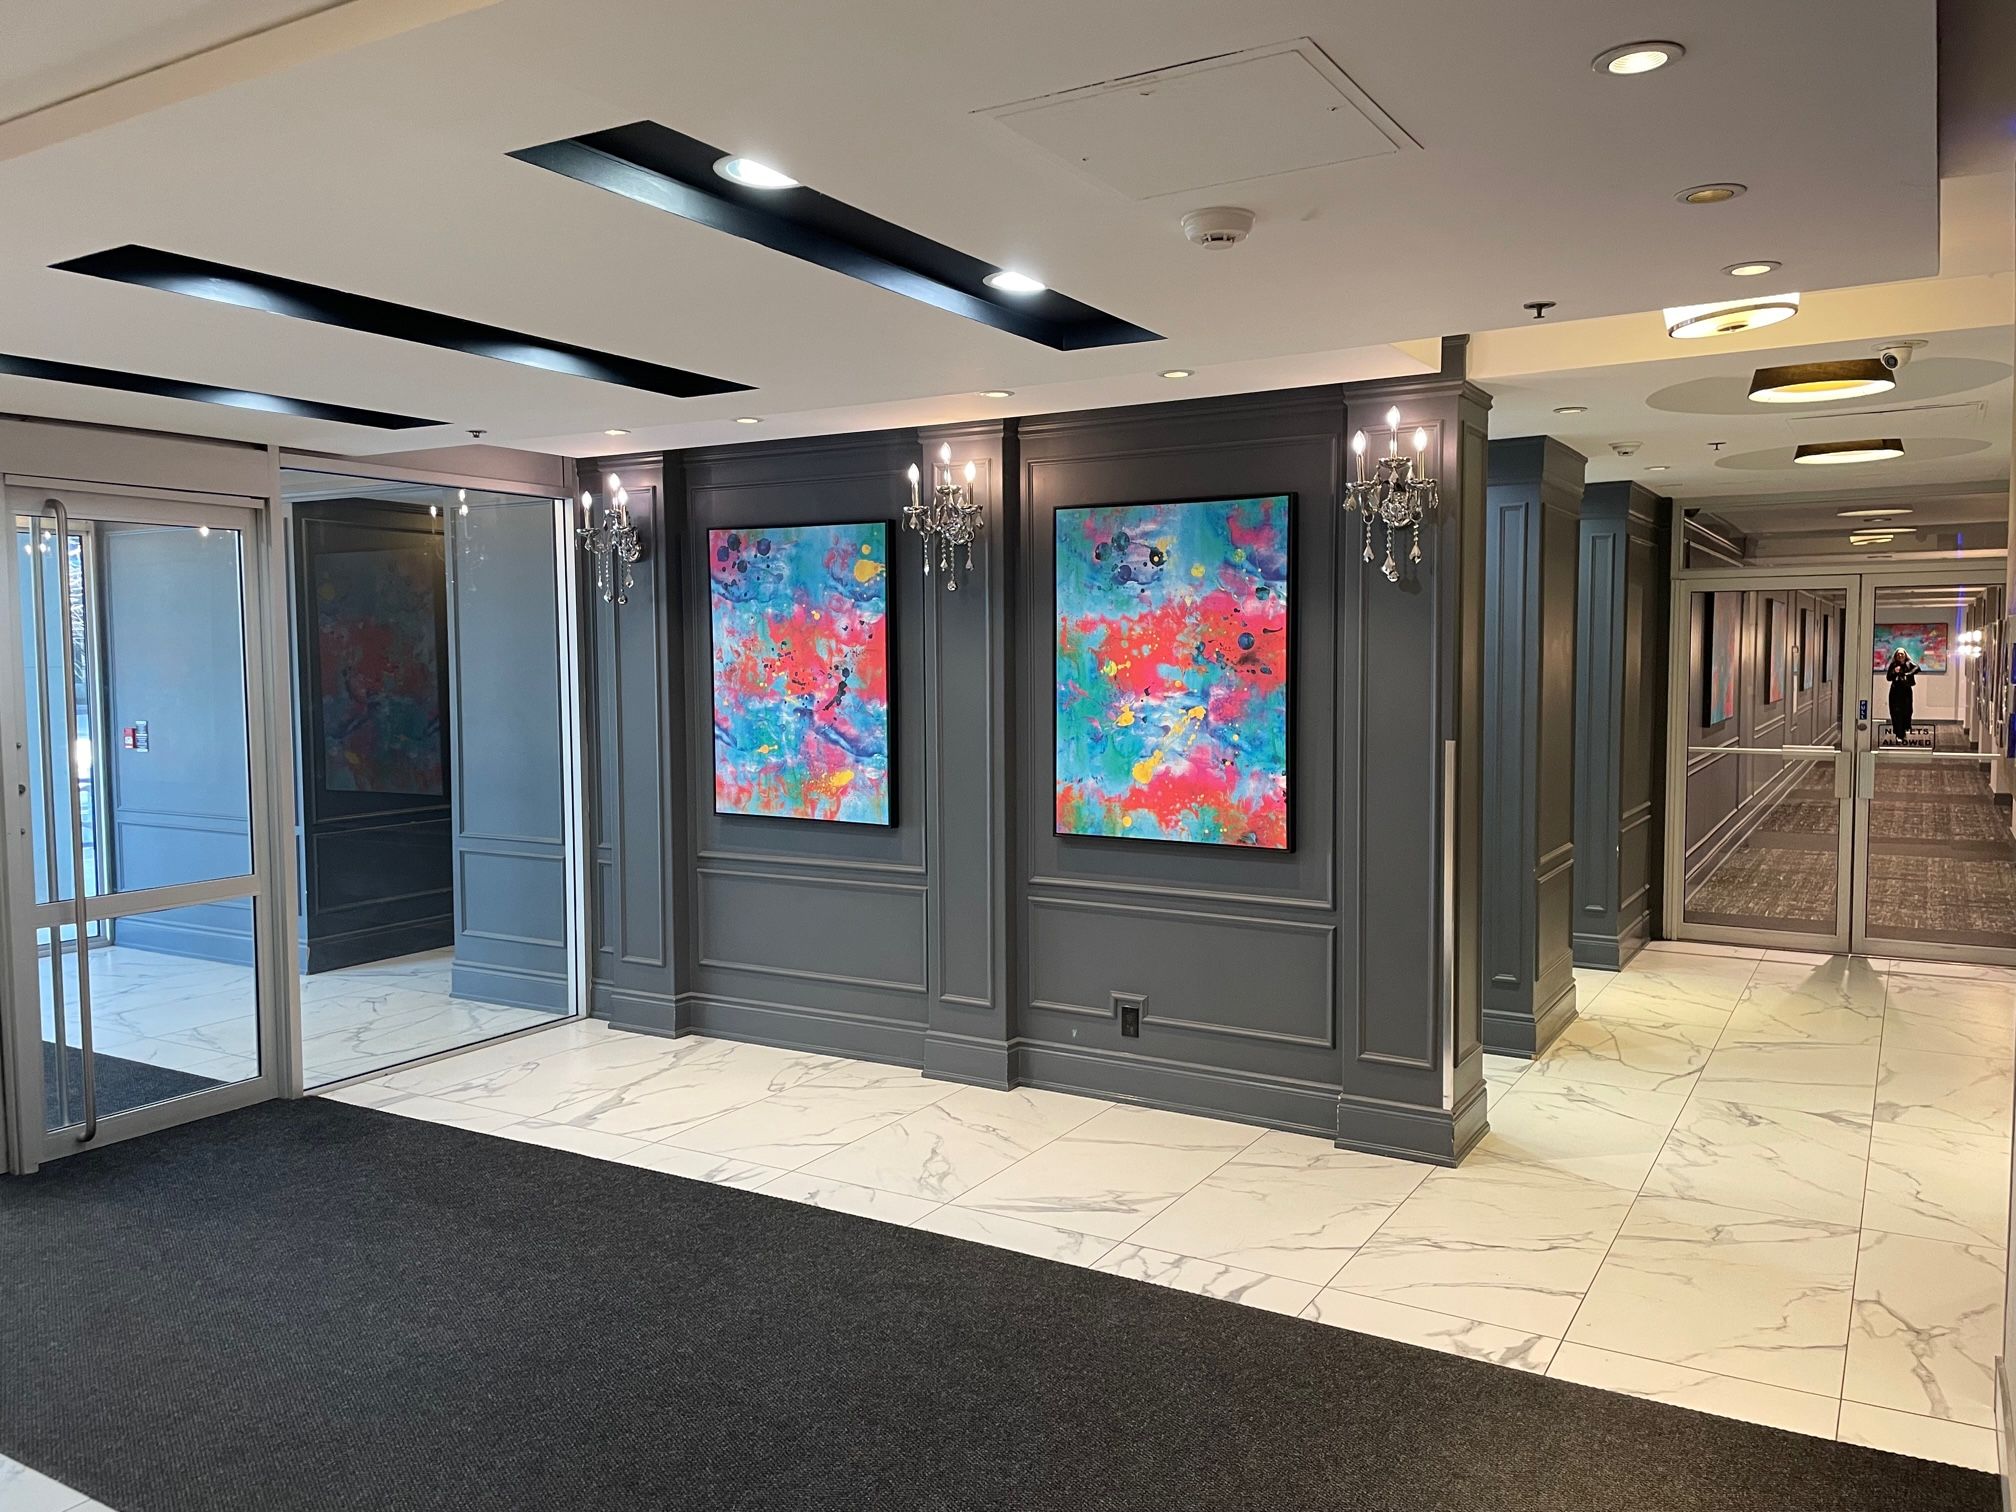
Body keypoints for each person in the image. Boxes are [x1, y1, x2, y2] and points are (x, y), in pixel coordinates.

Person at [1886, 646, 1918, 743]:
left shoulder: (1909, 663)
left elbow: (1917, 668)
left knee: (1907, 711)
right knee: (1896, 713)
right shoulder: (1893, 665)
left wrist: (1908, 674)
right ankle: (1899, 734)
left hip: (1906, 691)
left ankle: (1903, 731)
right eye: (1898, 654)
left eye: (1902, 654)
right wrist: (1894, 671)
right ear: (1896, 656)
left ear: (1905, 655)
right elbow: (1888, 677)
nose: (1900, 655)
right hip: (1895, 692)